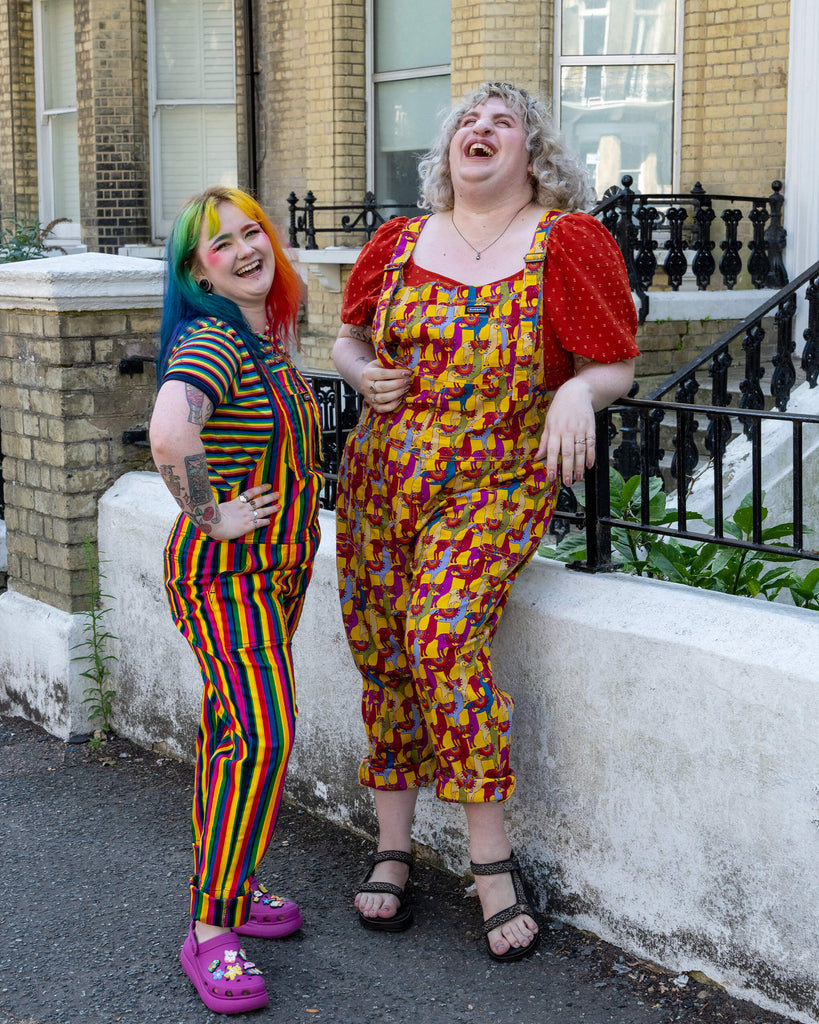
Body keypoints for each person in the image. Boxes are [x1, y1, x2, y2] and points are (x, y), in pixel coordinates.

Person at [332, 82, 639, 963]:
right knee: (383, 650)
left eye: (501, 121)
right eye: (467, 119)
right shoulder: (397, 242)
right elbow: (348, 338)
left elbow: (611, 360)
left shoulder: (566, 241)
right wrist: (359, 374)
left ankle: (490, 863)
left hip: (495, 480)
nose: (480, 128)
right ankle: (392, 844)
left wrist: (576, 391)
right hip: (380, 478)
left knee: (438, 641)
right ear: (450, 148)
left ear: (531, 150)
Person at [149, 186, 322, 1013]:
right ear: (198, 272)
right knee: (261, 733)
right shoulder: (214, 339)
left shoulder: (267, 342)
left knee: (233, 738)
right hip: (226, 579)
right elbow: (170, 431)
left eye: (252, 231)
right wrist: (209, 513)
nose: (245, 248)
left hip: (276, 576)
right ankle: (209, 930)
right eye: (222, 244)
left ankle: (234, 884)